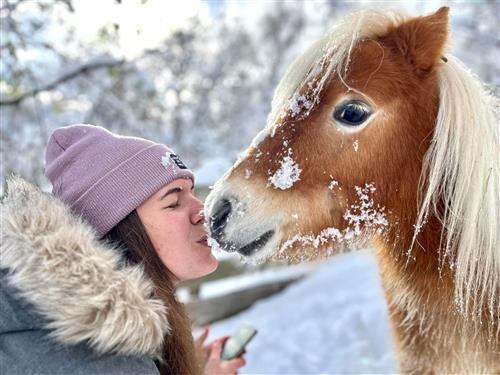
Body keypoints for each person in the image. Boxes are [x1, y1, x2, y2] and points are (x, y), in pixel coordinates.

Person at [0, 124, 246, 375]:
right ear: (121, 231)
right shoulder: (104, 363)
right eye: (174, 202)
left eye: (192, 193)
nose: (202, 210)